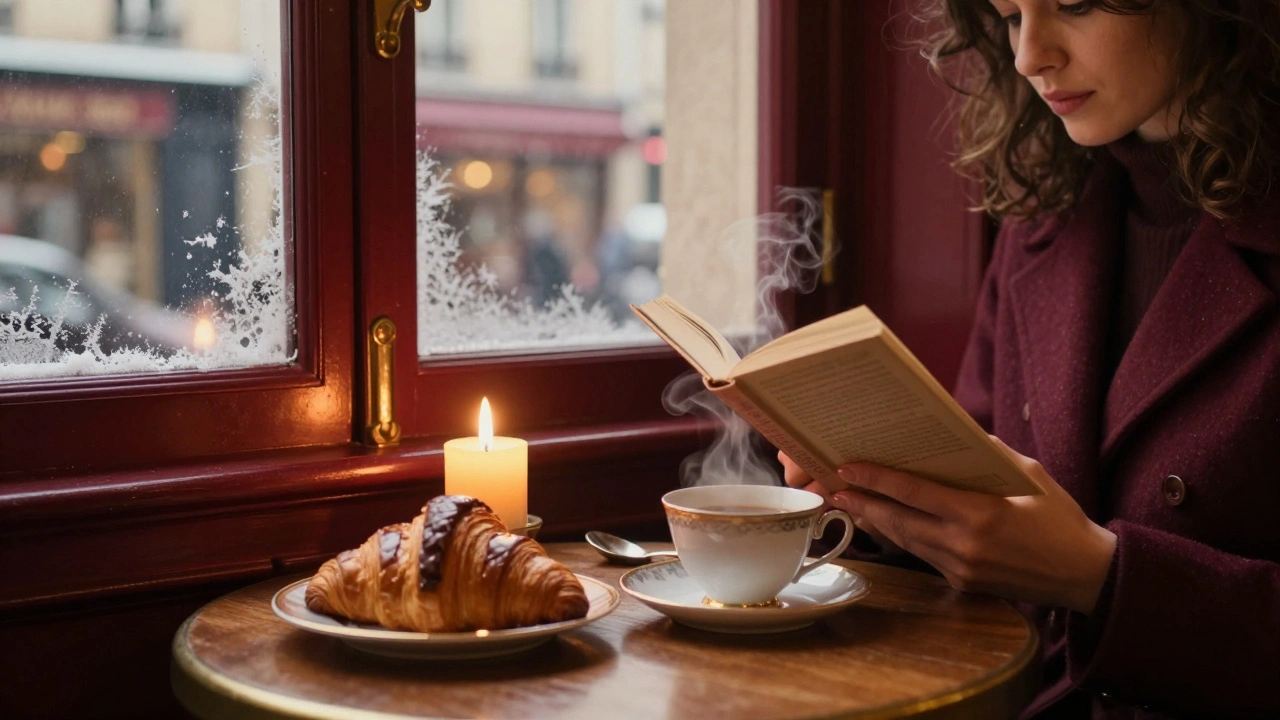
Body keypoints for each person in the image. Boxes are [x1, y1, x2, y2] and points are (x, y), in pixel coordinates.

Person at [780, 1, 1280, 717]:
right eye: (1010, 15)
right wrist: (880, 506)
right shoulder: (1047, 215)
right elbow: (992, 519)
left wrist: (1101, 579)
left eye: (1073, 4)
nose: (1028, 56)